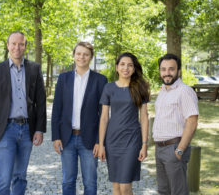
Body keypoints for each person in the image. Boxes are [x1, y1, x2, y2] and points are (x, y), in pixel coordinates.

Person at [0, 31, 46, 195]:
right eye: (13, 43)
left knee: (20, 176)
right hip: (6, 130)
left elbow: (40, 102)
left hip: (27, 130)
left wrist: (39, 129)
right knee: (4, 178)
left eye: (21, 44)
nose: (17, 47)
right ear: (7, 46)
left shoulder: (34, 69)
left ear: (25, 47)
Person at [51, 42, 107, 195]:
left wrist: (99, 141)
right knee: (68, 180)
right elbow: (57, 110)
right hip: (67, 138)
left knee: (90, 182)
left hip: (89, 140)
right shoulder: (63, 79)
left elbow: (103, 114)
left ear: (90, 57)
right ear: (74, 55)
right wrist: (56, 137)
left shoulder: (100, 80)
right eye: (79, 53)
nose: (82, 57)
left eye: (85, 54)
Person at [98, 52, 150, 195]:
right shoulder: (109, 88)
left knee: (125, 187)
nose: (125, 68)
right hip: (112, 141)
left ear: (134, 69)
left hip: (132, 140)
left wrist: (145, 144)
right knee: (116, 187)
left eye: (130, 65)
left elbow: (144, 117)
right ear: (116, 67)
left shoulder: (140, 88)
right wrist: (101, 145)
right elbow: (104, 118)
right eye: (122, 64)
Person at [153, 53, 199, 195]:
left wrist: (179, 150)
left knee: (178, 192)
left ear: (178, 71)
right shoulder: (163, 92)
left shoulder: (184, 91)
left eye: (171, 69)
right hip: (160, 149)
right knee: (164, 191)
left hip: (174, 148)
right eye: (163, 69)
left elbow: (192, 121)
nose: (167, 73)